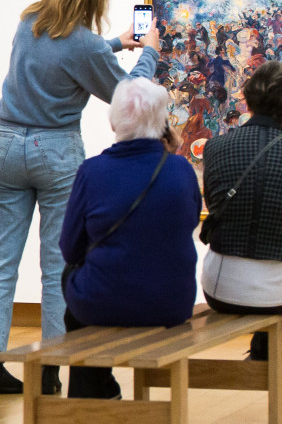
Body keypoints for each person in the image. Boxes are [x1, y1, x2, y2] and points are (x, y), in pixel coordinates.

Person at [0, 0, 160, 396]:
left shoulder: (28, 22)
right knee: (58, 262)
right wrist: (147, 50)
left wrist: (115, 44)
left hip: (7, 145)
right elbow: (128, 98)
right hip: (55, 153)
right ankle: (53, 366)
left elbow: (62, 52)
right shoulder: (87, 45)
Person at [201, 60, 282, 424]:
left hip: (220, 286)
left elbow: (219, 207)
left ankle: (262, 353)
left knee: (274, 276)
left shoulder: (216, 148)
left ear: (247, 99)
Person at [59, 78, 201, 399]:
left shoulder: (91, 171)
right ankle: (97, 393)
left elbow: (70, 248)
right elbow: (187, 223)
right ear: (163, 123)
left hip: (101, 304)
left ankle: (93, 395)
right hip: (171, 305)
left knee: (72, 281)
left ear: (113, 121)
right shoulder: (181, 170)